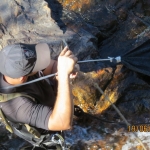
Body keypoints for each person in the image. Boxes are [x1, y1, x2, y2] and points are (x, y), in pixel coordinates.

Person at [0, 43, 79, 149]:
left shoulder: (8, 62)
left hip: (47, 102)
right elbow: (62, 122)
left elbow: (51, 67)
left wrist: (63, 68)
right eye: (36, 66)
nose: (41, 64)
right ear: (23, 78)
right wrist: (64, 76)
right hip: (48, 131)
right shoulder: (19, 106)